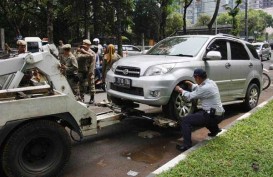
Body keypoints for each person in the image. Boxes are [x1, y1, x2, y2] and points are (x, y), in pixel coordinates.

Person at [175, 68, 225, 152]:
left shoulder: (204, 88)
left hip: (212, 116)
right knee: (202, 114)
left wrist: (180, 90)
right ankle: (215, 130)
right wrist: (192, 85)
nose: (194, 80)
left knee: (185, 121)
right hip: (219, 114)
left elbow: (189, 96)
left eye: (195, 78)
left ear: (198, 77)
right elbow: (200, 87)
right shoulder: (211, 83)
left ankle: (186, 146)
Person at [75, 39, 96, 104]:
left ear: (88, 46)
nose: (83, 47)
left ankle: (92, 98)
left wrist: (91, 72)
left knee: (91, 84)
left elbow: (93, 64)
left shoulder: (92, 53)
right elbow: (76, 58)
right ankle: (82, 98)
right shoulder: (79, 51)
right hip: (81, 70)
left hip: (89, 71)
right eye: (83, 45)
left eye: (85, 46)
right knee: (81, 85)